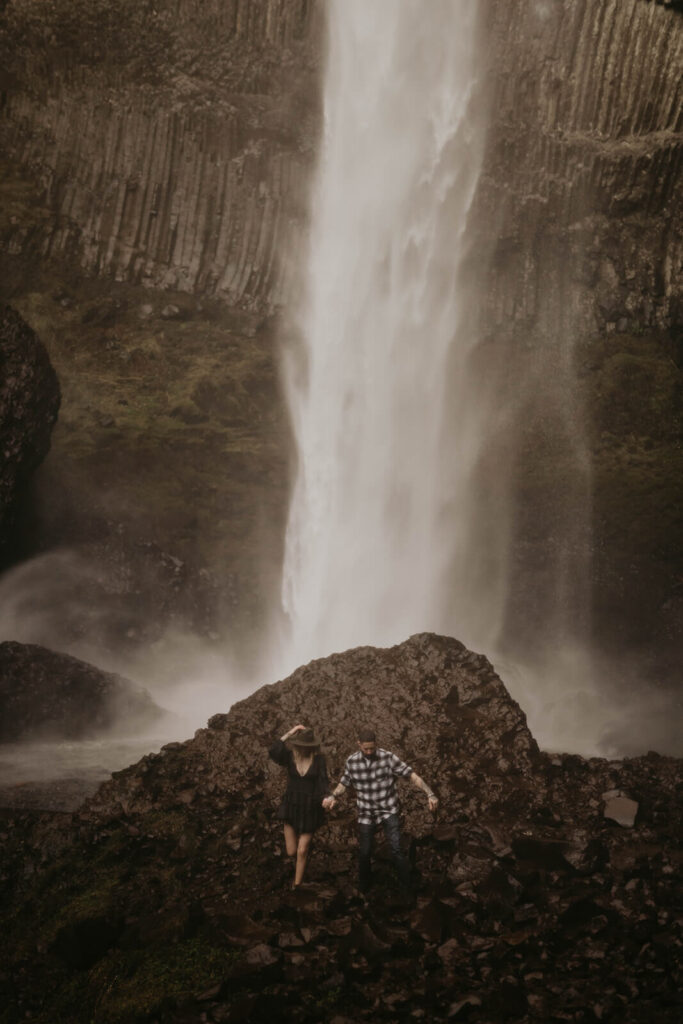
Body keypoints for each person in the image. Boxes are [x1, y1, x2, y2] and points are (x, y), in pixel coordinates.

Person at [322, 727, 438, 894]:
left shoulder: (388, 758)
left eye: (372, 748)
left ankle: (407, 887)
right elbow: (344, 784)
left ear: (376, 744)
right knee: (365, 851)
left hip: (388, 809)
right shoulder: (352, 762)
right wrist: (332, 796)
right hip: (366, 812)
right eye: (365, 748)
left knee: (396, 848)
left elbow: (411, 775)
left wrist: (430, 793)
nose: (369, 751)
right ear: (359, 744)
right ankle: (364, 889)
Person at [269, 723, 329, 888]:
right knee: (291, 851)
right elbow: (273, 750)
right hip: (291, 806)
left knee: (302, 850)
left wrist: (328, 797)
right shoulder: (289, 757)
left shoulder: (319, 760)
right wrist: (290, 732)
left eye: (307, 746)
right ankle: (299, 869)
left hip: (311, 807)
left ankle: (297, 885)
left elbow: (324, 781)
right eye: (301, 746)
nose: (304, 749)